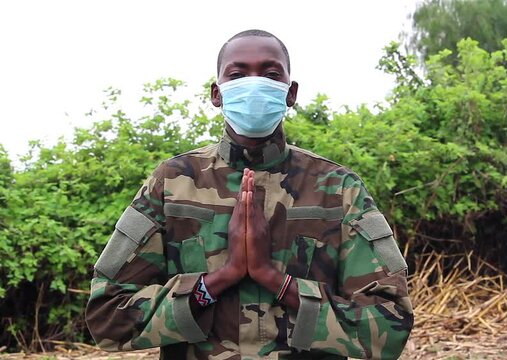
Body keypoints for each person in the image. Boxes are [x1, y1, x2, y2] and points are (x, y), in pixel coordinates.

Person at [85, 29, 413, 360]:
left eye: (271, 74)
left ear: (290, 92)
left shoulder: (338, 188)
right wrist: (216, 281)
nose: (254, 84)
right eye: (238, 74)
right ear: (217, 93)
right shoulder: (172, 182)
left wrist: (276, 281)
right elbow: (107, 316)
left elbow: (389, 328)